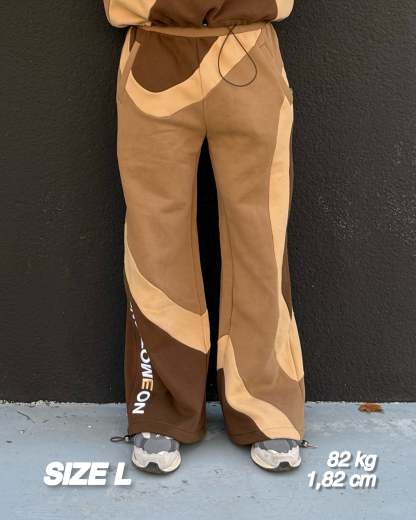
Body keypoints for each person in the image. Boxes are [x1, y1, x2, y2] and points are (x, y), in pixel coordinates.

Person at [103, 0, 305, 474]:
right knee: (154, 239)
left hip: (248, 48)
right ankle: (161, 410)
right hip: (155, 52)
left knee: (261, 239)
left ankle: (267, 406)